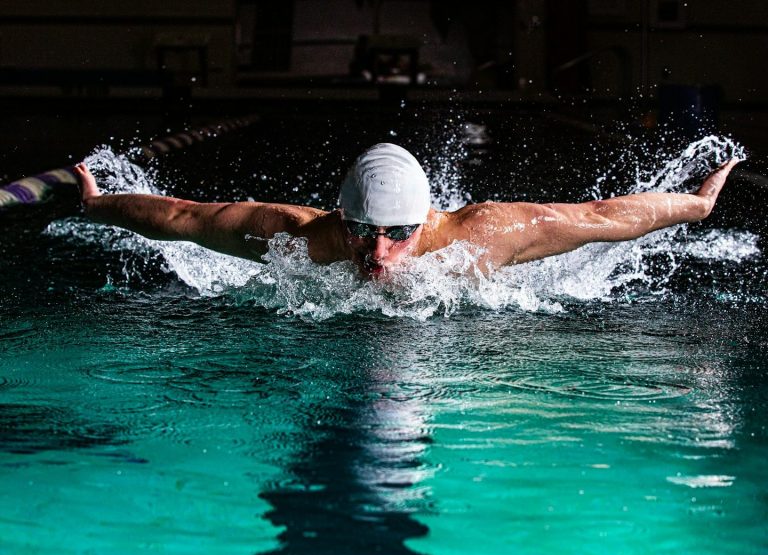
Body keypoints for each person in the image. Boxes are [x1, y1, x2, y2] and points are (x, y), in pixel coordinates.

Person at [76, 143, 739, 278]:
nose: (379, 255)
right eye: (364, 234)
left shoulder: (483, 235)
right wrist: (102, 205)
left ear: (425, 222)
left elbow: (600, 217)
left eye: (398, 236)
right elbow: (185, 217)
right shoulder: (304, 238)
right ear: (344, 220)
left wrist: (696, 207)